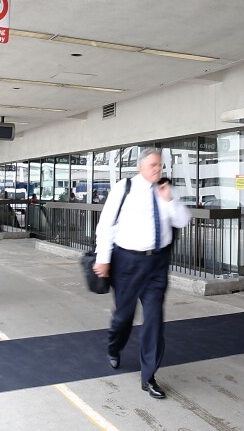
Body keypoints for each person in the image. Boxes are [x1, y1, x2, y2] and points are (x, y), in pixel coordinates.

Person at [93, 149, 191, 400]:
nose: (157, 169)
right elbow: (106, 224)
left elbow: (182, 221)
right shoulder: (124, 188)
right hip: (127, 262)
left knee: (154, 320)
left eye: (160, 165)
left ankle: (148, 376)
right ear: (141, 166)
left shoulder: (167, 189)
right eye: (153, 165)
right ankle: (114, 346)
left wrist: (169, 199)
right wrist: (103, 259)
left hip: (157, 263)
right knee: (124, 316)